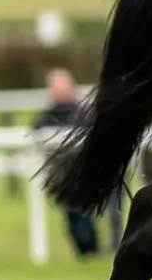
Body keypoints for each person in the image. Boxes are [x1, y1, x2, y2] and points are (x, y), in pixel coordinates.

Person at [34, 68, 111, 258]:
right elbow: (37, 134)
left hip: (83, 175)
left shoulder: (83, 113)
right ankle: (85, 254)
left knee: (84, 218)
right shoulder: (46, 116)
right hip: (61, 177)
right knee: (71, 220)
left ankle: (92, 252)